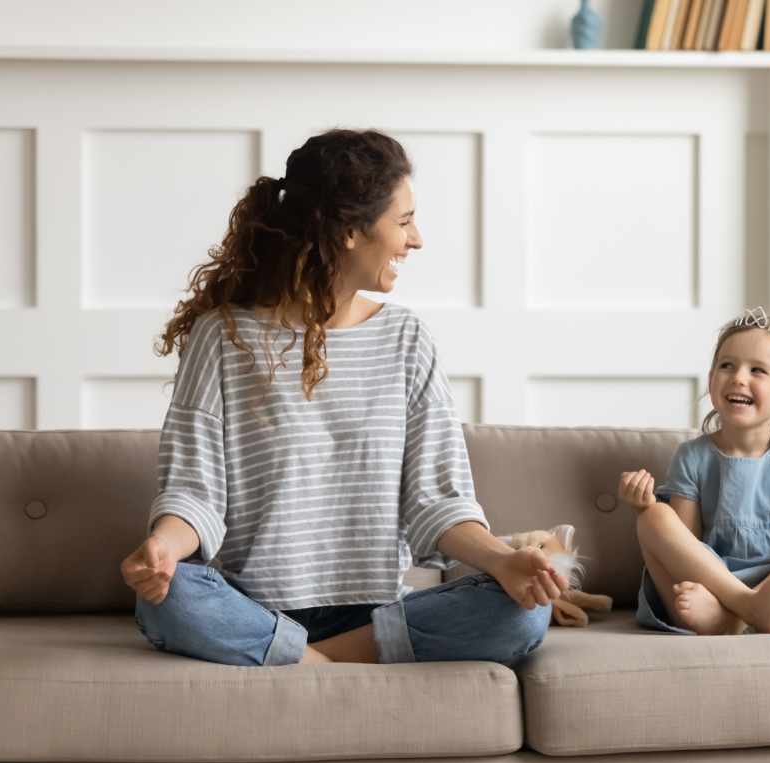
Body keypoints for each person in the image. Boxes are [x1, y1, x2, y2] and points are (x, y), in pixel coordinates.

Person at [119, 129, 566, 667]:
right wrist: (164, 549)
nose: (416, 239)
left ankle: (301, 660)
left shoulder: (406, 340)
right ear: (351, 230)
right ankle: (329, 658)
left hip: (372, 611)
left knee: (522, 612)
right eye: (403, 222)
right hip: (254, 605)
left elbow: (438, 504)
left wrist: (502, 561)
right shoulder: (223, 338)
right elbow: (195, 493)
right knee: (167, 603)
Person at [618, 307, 770, 636]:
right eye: (727, 366)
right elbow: (686, 545)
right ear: (711, 380)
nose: (738, 377)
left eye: (757, 370)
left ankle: (737, 619)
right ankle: (744, 608)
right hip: (709, 591)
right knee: (653, 517)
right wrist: (642, 504)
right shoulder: (693, 456)